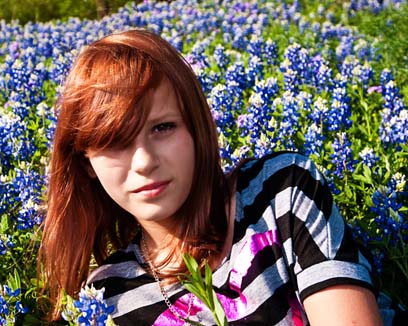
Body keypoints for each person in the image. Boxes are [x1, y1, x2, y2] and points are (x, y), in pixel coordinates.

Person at [38, 29, 384, 325]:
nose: (143, 162)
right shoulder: (107, 297)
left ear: (195, 127)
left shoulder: (281, 191)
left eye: (162, 127)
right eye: (115, 143)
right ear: (86, 163)